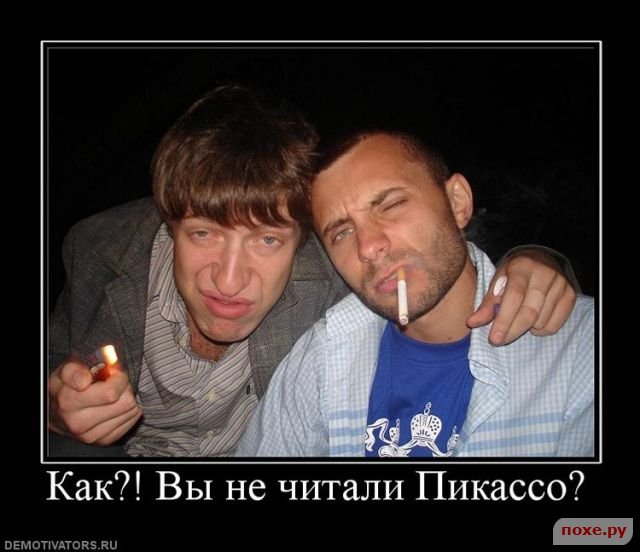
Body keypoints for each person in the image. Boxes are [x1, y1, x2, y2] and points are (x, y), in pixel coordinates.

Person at [49, 86, 579, 457]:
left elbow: (432, 255)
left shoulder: (332, 277)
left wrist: (537, 259)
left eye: (268, 239)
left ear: (301, 239)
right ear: (169, 222)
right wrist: (54, 415)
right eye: (203, 233)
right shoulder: (98, 251)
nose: (228, 281)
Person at [236, 130, 593, 457]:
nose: (368, 247)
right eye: (342, 233)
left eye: (391, 206)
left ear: (457, 202)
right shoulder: (322, 355)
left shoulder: (581, 352)